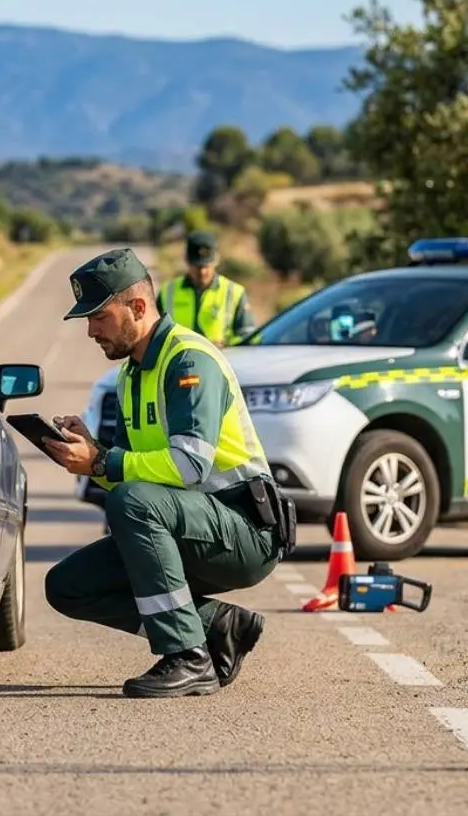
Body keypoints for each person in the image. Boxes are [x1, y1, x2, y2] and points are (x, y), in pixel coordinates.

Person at [42, 248, 295, 699]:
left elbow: (189, 466)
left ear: (138, 307)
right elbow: (131, 473)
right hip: (189, 526)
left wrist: (102, 462)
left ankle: (188, 657)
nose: (91, 331)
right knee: (67, 587)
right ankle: (216, 627)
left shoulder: (189, 361)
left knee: (131, 502)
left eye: (99, 316)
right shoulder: (131, 375)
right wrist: (91, 454)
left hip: (246, 531)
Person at [157, 230, 254, 347]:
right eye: (197, 266)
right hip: (179, 357)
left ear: (216, 260)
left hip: (222, 357)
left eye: (206, 266)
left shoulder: (234, 292)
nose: (202, 272)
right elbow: (155, 335)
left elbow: (247, 336)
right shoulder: (167, 292)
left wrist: (227, 345)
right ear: (187, 261)